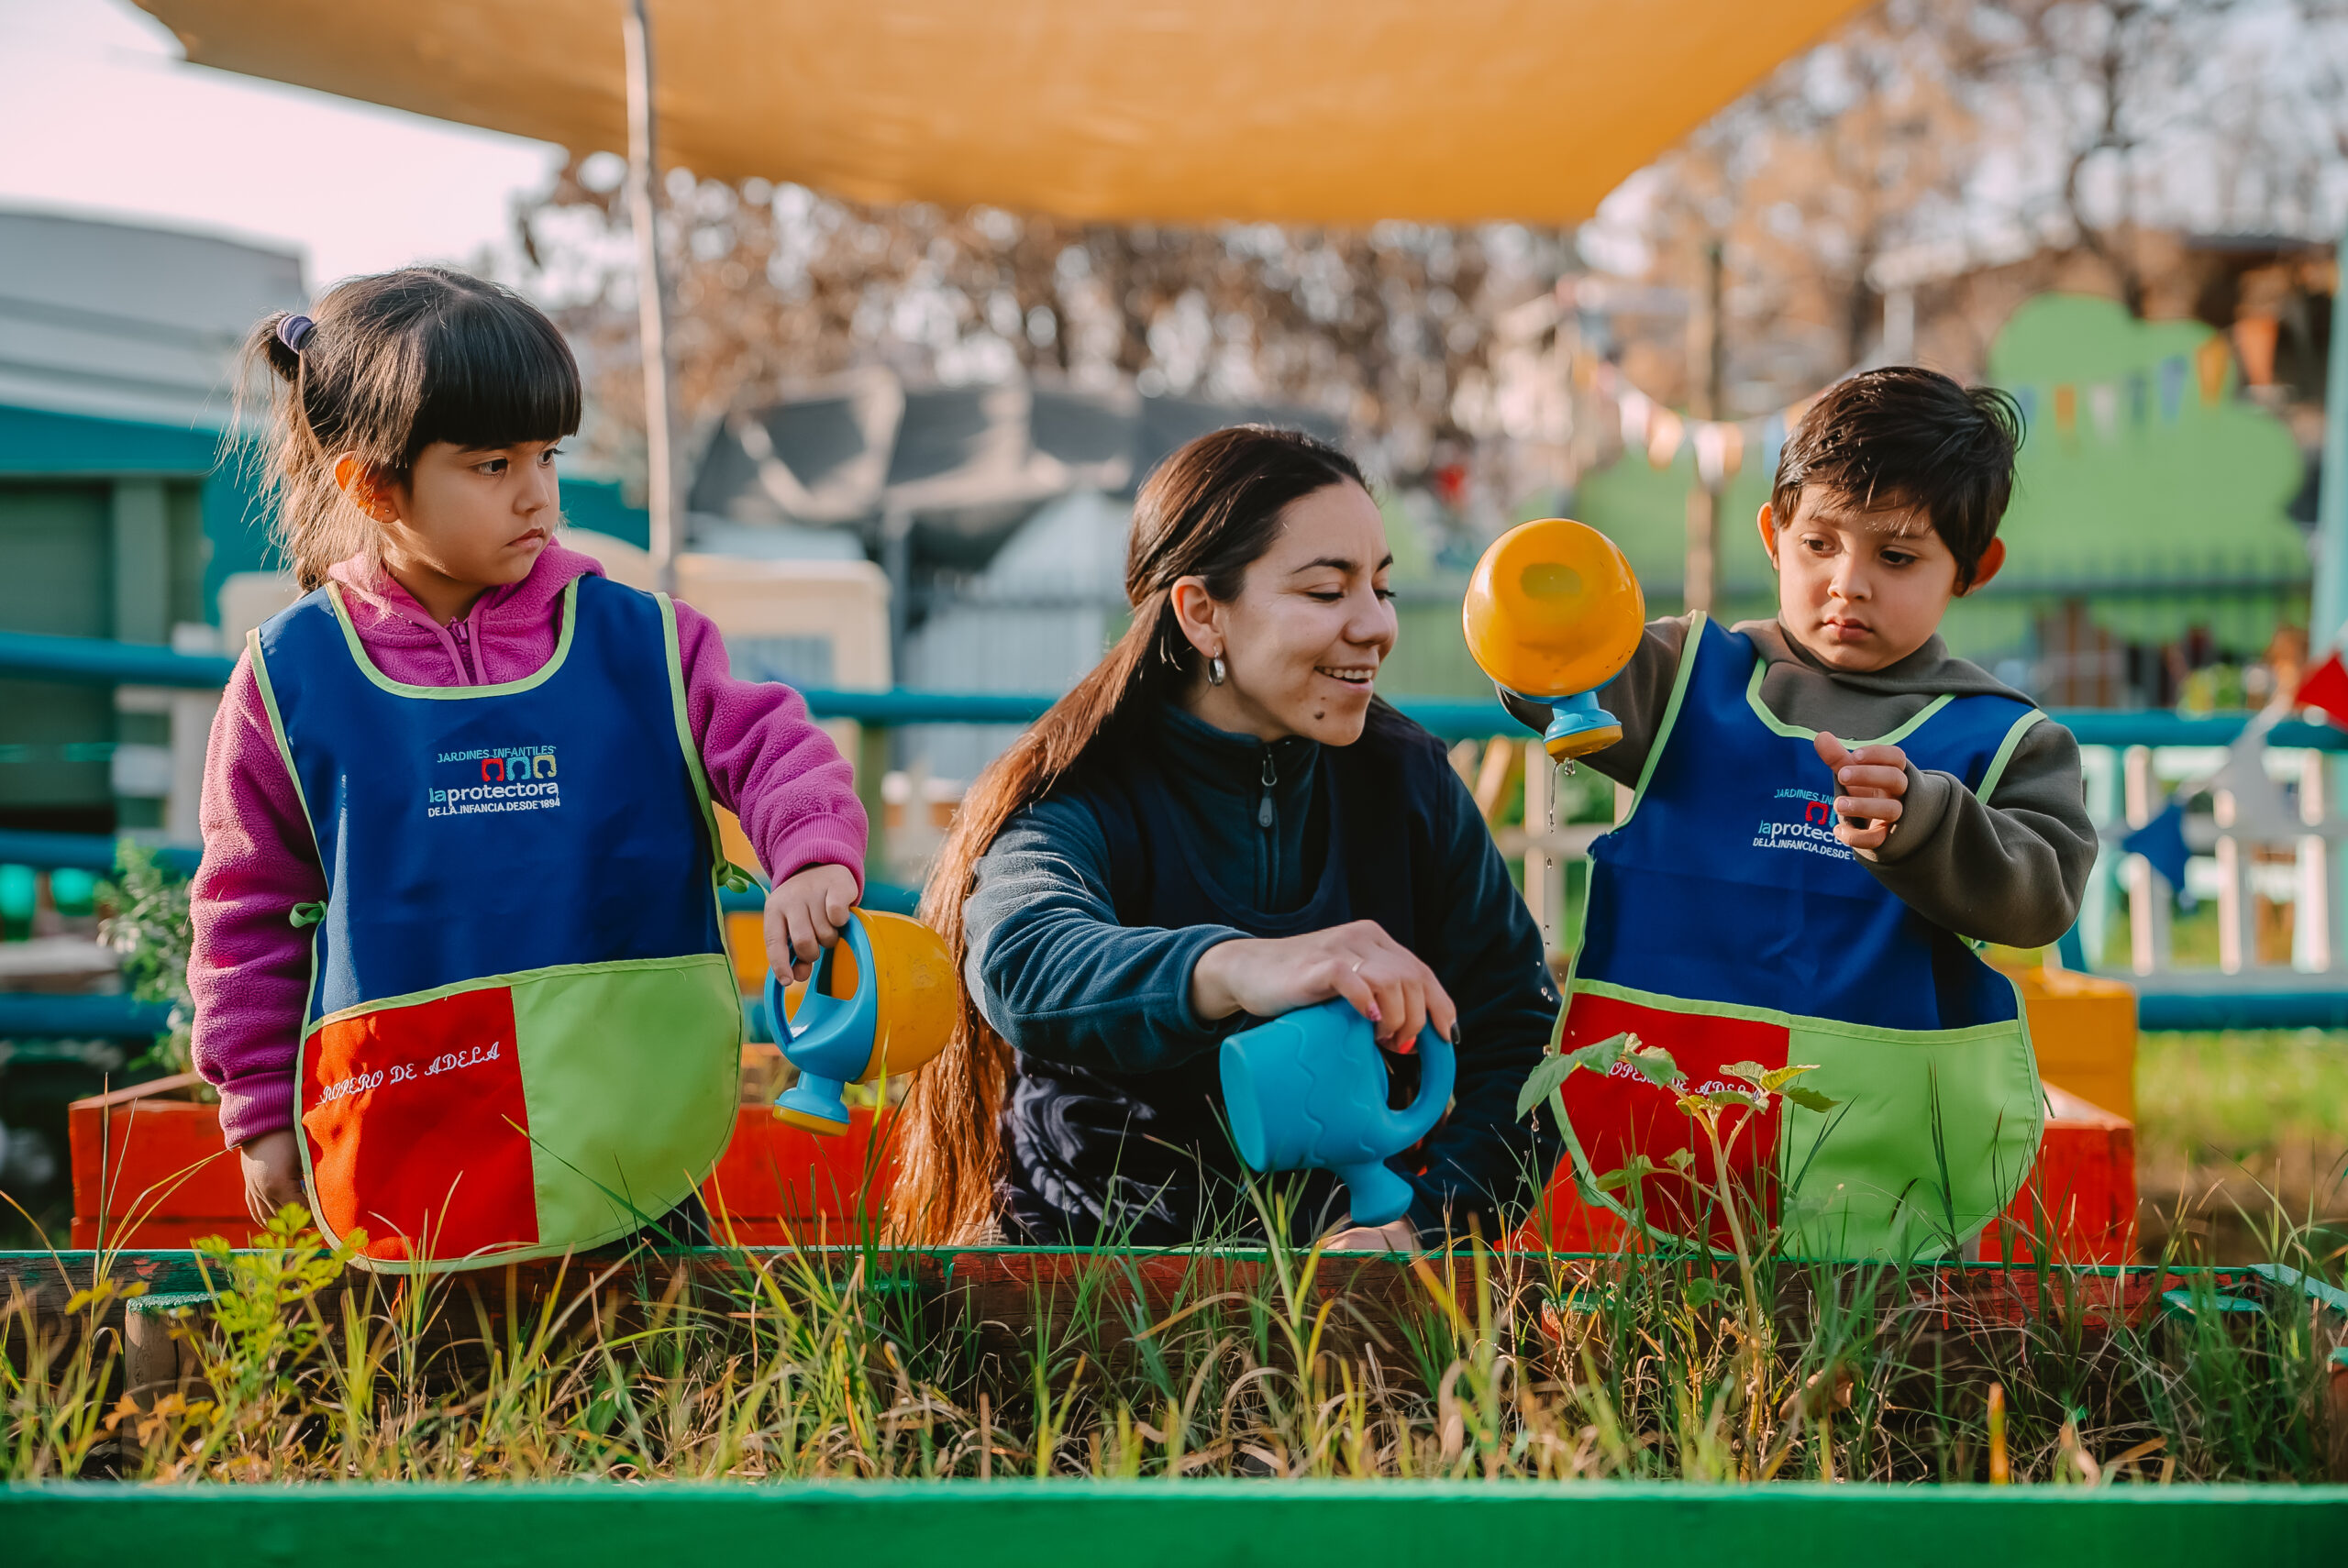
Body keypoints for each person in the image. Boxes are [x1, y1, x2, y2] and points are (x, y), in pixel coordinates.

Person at [189, 267, 867, 1266]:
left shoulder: (645, 641)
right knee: (430, 1407)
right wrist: (256, 1113)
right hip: (405, 1149)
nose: (538, 494)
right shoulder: (288, 681)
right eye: (492, 464)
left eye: (548, 455)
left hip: (631, 1138)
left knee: (667, 1399)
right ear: (373, 486)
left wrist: (810, 853)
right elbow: (244, 912)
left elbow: (774, 745)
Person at [890, 425, 1560, 1251]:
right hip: (1074, 1274)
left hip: (1341, 1290)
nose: (1377, 625)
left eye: (1380, 589)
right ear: (1203, 613)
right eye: (1326, 592)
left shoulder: (1407, 780)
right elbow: (1023, 959)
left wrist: (1424, 1225)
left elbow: (1525, 1032)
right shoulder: (1083, 788)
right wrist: (1244, 966)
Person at [1509, 365, 2096, 1258]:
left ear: (1973, 570)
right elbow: (1563, 681)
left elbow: (2040, 894)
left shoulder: (2006, 737)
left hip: (1896, 1133)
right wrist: (1533, 622)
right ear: (1772, 533)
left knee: (1894, 1366)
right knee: (1672, 1349)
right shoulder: (1685, 675)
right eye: (1820, 542)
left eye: (1895, 556)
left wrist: (1926, 821)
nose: (1847, 583)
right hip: (1670, 1113)